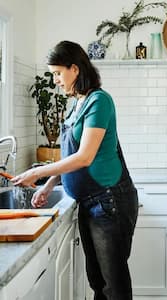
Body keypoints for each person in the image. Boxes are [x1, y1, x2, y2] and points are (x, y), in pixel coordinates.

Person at [12, 40, 139, 300]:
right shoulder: (76, 104)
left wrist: (37, 173)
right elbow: (69, 154)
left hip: (109, 201)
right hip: (89, 201)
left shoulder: (99, 101)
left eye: (58, 73)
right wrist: (48, 185)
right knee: (97, 280)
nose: (55, 79)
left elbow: (84, 156)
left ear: (75, 69)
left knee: (113, 285)